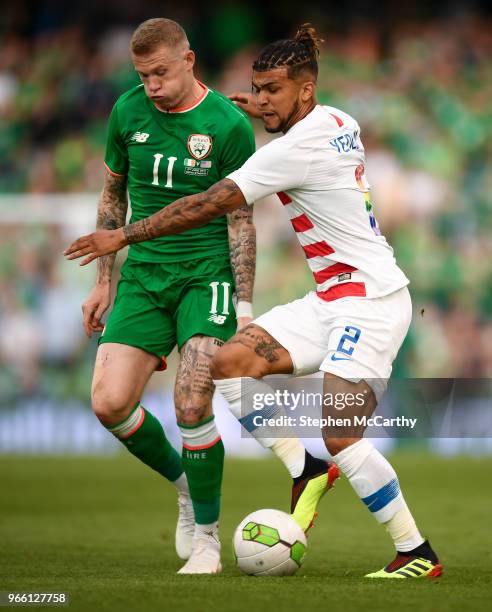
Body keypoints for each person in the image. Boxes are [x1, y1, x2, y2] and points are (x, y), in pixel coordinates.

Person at [64, 24, 441, 579]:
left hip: (371, 303)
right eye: (255, 90)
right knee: (228, 365)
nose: (260, 102)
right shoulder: (341, 121)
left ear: (304, 91)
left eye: (272, 92)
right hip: (328, 300)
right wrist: (264, 106)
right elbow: (292, 117)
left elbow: (209, 204)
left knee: (341, 434)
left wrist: (121, 237)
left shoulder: (292, 151)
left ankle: (415, 552)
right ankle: (304, 465)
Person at [71, 18, 335, 575]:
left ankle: (210, 539)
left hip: (205, 276)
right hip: (143, 275)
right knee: (109, 404)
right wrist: (104, 279)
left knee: (192, 402)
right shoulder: (127, 112)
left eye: (161, 73)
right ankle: (188, 486)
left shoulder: (226, 125)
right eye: (142, 76)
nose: (152, 86)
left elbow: (241, 221)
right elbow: (113, 193)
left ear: (188, 61)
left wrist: (242, 308)